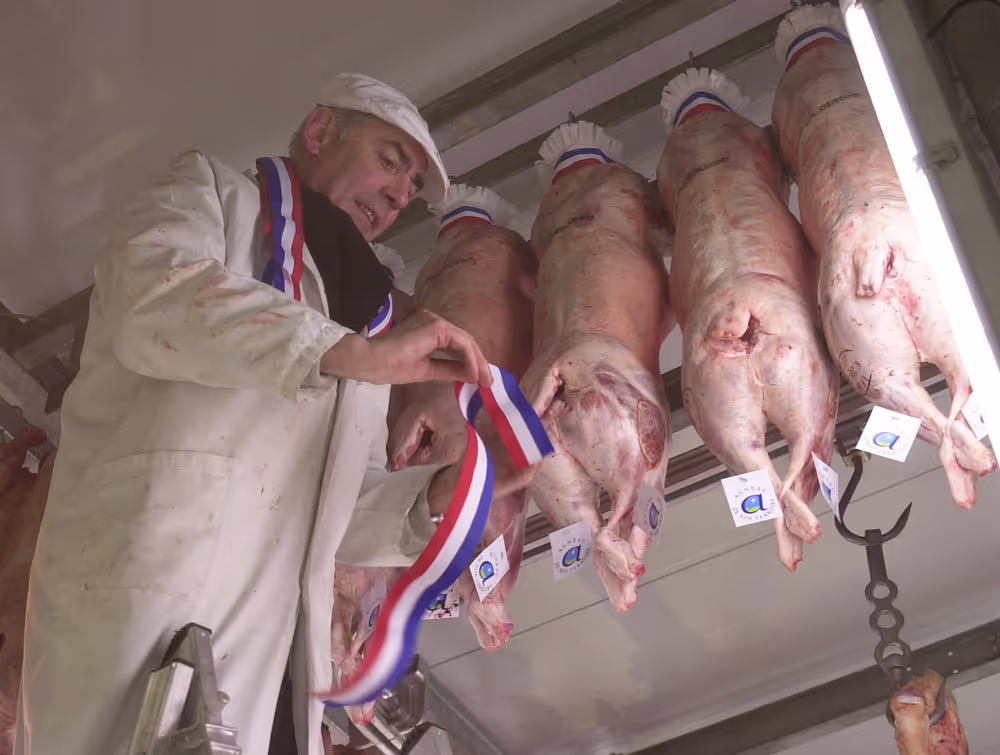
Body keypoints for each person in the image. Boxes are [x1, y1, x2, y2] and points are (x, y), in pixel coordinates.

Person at [15, 73, 497, 755]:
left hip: (273, 650)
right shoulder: (209, 193)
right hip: (152, 590)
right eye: (391, 161)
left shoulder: (359, 323)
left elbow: (341, 507)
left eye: (411, 190)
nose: (397, 196)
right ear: (320, 131)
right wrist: (345, 352)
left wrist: (435, 502)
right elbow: (155, 296)